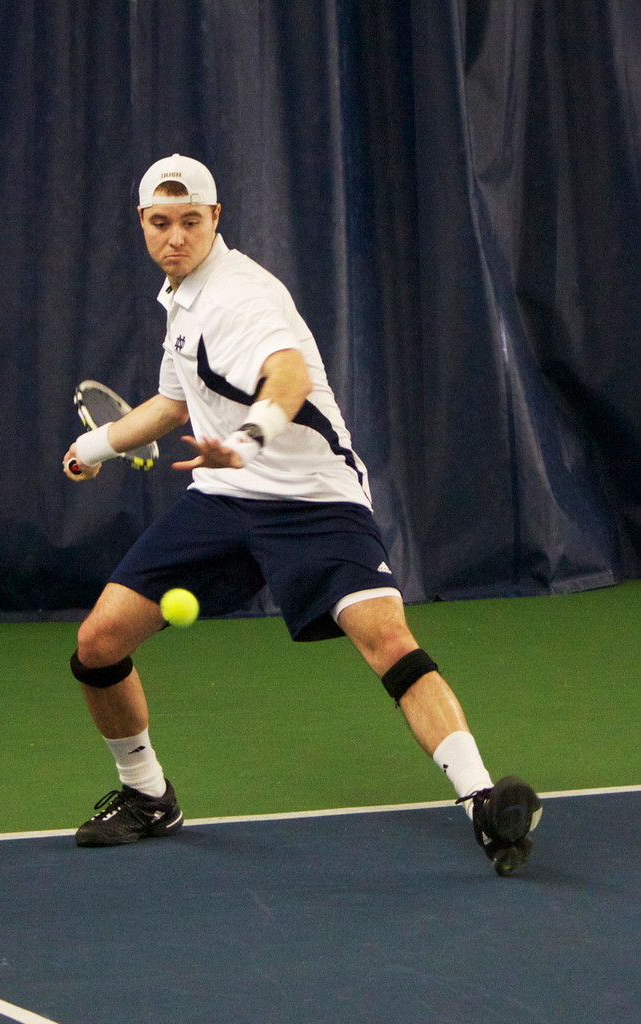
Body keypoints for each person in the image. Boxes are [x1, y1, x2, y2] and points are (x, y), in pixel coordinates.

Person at [62, 154, 542, 876]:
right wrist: (95, 444)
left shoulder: (242, 298)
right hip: (227, 500)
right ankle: (147, 796)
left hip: (314, 499)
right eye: (161, 223)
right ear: (142, 224)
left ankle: (481, 801)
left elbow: (284, 376)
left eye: (191, 222)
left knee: (385, 638)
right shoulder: (181, 300)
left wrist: (248, 439)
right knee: (98, 642)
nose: (175, 237)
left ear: (215, 219)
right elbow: (170, 403)